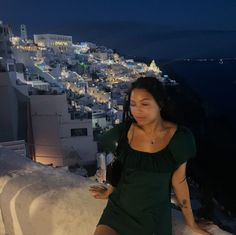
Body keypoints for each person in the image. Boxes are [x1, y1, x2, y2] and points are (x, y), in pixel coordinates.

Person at [90, 77, 211, 235]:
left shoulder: (179, 138)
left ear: (160, 104)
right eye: (133, 104)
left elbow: (179, 182)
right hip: (118, 212)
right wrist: (109, 192)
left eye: (145, 104)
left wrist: (191, 223)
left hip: (153, 219)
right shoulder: (124, 132)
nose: (137, 110)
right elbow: (118, 166)